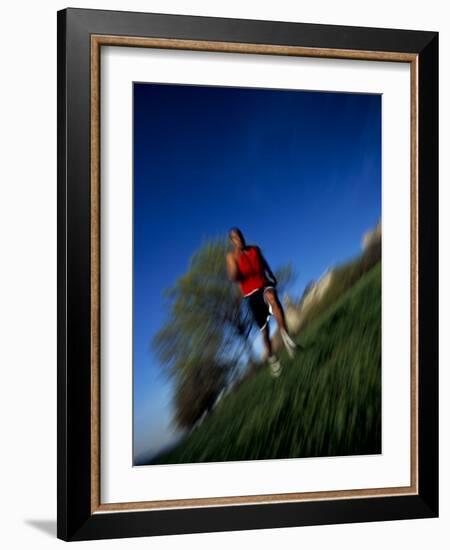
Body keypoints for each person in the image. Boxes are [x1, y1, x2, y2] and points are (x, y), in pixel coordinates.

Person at [226, 227, 297, 377]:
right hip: (251, 295)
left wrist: (271, 275)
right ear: (232, 241)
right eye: (235, 237)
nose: (239, 239)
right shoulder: (231, 257)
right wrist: (234, 270)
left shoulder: (255, 249)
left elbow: (264, 264)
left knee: (272, 297)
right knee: (265, 332)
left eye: (240, 235)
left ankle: (287, 337)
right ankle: (272, 357)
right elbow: (233, 276)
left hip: (264, 284)